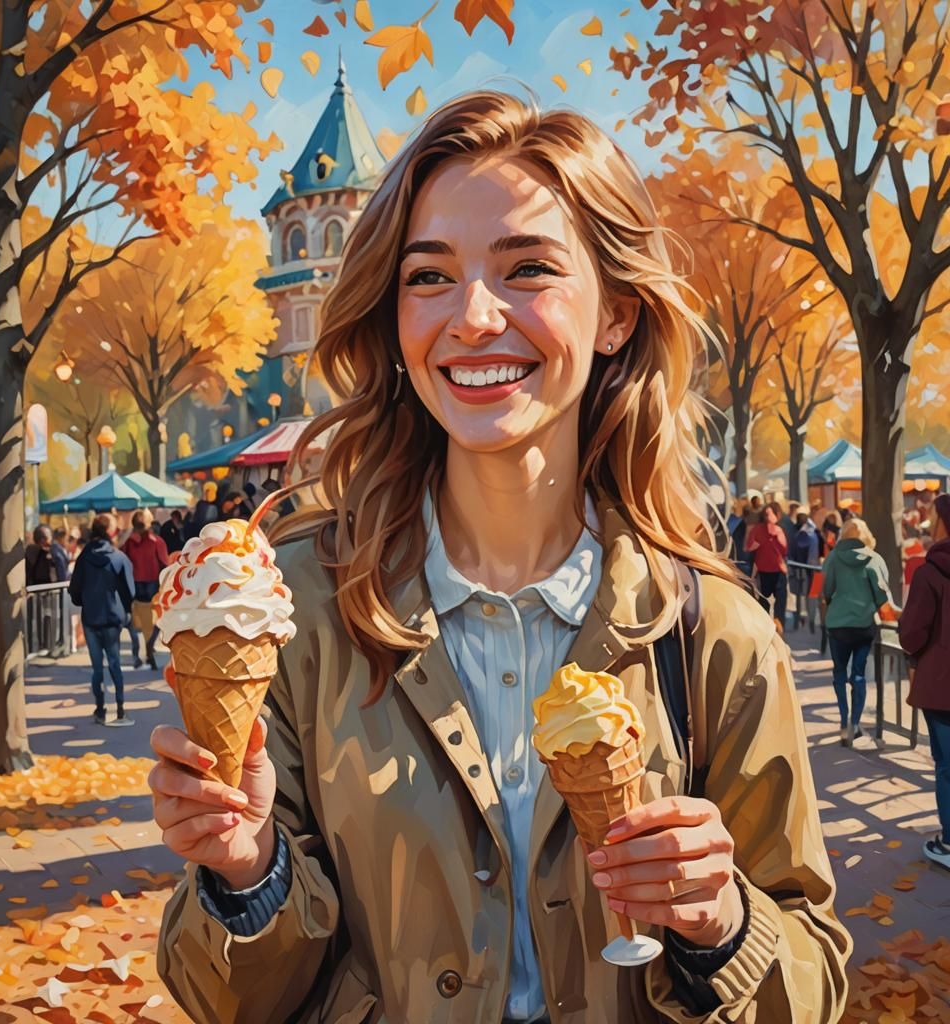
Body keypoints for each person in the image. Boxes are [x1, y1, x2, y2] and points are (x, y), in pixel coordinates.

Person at [151, 93, 850, 1023]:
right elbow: (229, 1001)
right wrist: (248, 876)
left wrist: (720, 924)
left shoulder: (718, 634)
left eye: (528, 268)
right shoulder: (295, 609)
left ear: (617, 314)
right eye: (429, 276)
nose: (475, 317)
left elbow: (815, 979)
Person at [899, 493, 950, 869]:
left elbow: (912, 633)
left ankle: (949, 843)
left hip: (942, 683)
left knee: (947, 764)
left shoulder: (930, 572)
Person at [821, 517, 895, 747]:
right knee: (859, 675)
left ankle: (843, 724)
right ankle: (855, 723)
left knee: (839, 674)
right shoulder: (874, 559)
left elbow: (827, 590)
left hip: (838, 625)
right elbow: (882, 596)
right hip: (863, 626)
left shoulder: (833, 558)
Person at [68, 513, 136, 727]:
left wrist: (86, 600)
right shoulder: (118, 557)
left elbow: (75, 591)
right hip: (113, 617)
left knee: (97, 668)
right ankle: (121, 709)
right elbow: (129, 591)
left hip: (91, 617)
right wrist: (124, 609)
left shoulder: (83, 558)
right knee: (115, 664)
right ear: (111, 532)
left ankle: (99, 709)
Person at [121, 509, 169, 670]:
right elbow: (165, 563)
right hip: (152, 583)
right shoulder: (157, 541)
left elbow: (123, 560)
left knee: (136, 622)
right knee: (154, 619)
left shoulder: (128, 542)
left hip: (134, 584)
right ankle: (149, 648)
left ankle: (138, 654)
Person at [744, 504, 789, 632]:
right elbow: (749, 546)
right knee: (763, 602)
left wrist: (776, 535)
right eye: (766, 514)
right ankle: (764, 630)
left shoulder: (780, 529)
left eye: (770, 513)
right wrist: (760, 542)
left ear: (777, 514)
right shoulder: (758, 529)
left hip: (778, 571)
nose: (768, 516)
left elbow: (785, 550)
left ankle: (779, 631)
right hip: (763, 571)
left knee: (780, 605)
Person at [790, 506, 822, 632]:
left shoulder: (799, 534)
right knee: (811, 597)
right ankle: (811, 623)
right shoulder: (816, 532)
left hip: (803, 570)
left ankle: (802, 622)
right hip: (816, 570)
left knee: (802, 596)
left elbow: (793, 550)